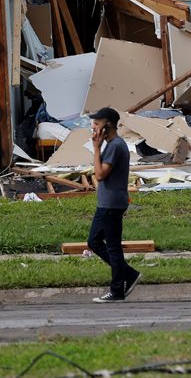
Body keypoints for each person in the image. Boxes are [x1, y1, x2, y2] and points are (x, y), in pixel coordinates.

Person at [87, 107, 141, 303]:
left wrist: (95, 148)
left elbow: (100, 175)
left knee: (109, 246)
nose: (93, 127)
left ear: (107, 125)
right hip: (108, 202)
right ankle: (128, 275)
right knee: (96, 242)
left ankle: (118, 288)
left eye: (97, 123)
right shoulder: (111, 145)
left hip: (111, 204)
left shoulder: (115, 146)